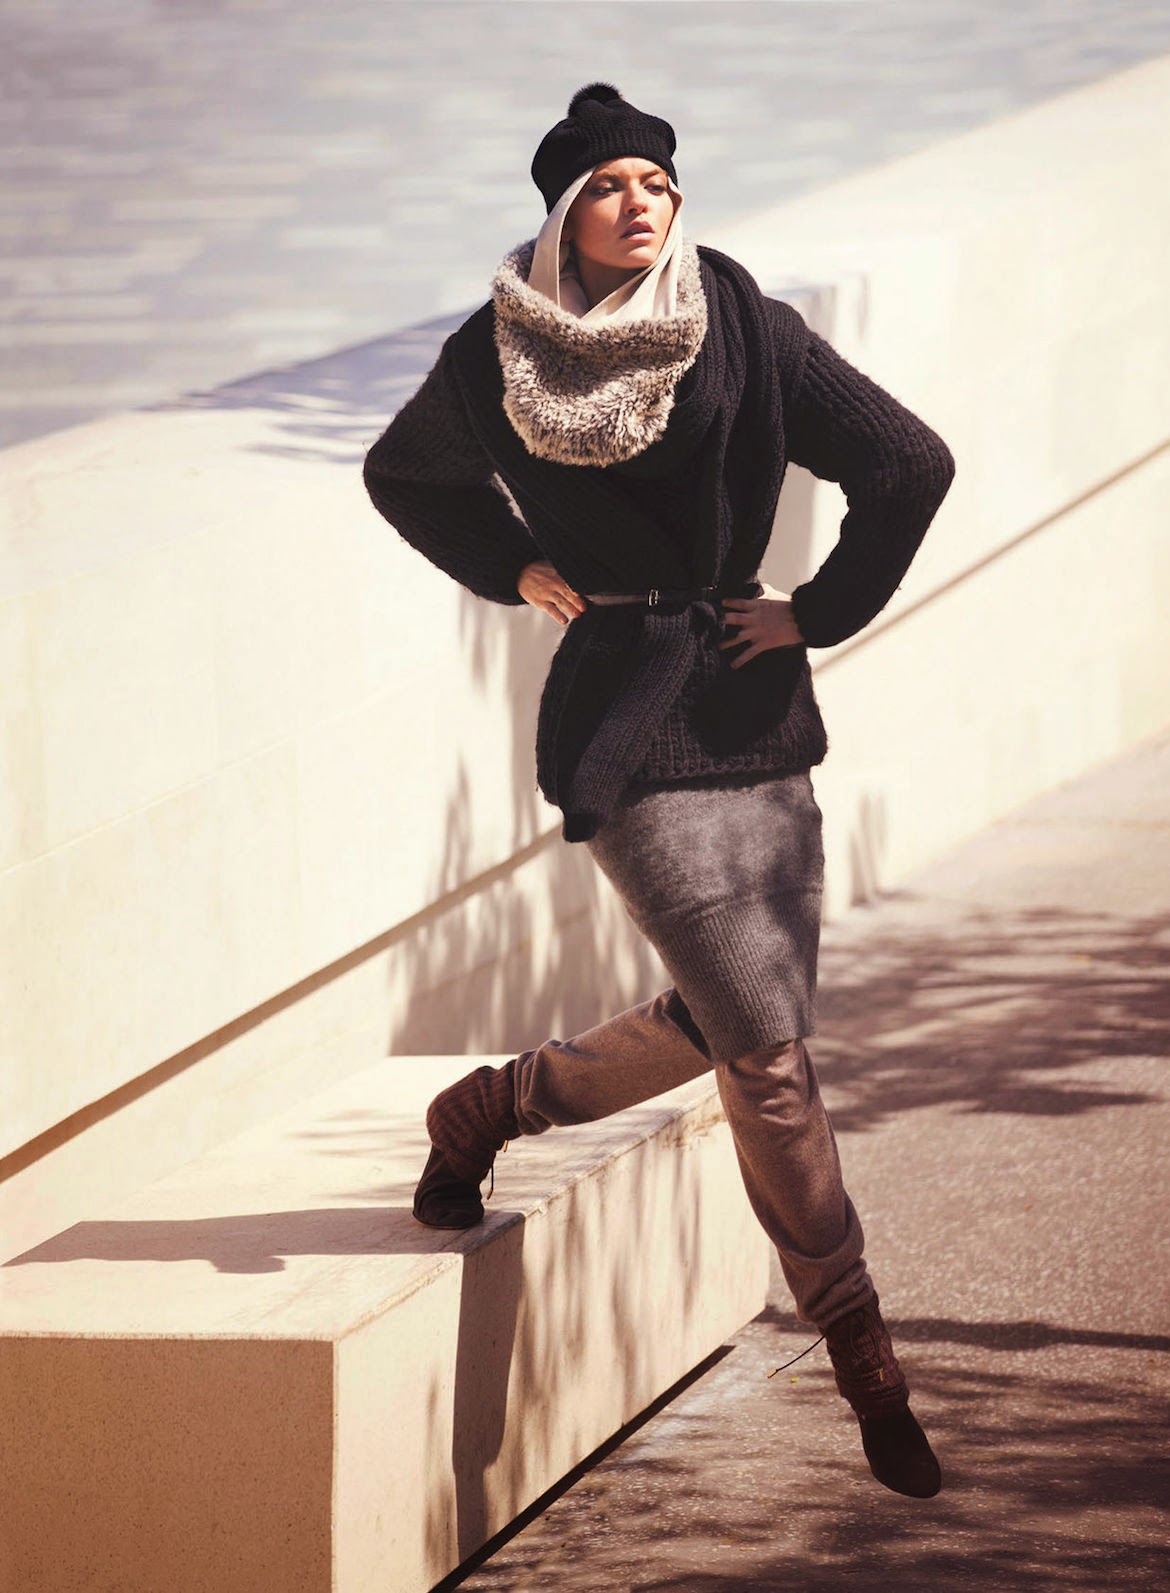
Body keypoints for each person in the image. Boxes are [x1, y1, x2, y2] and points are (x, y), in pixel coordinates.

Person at [362, 82, 955, 1500]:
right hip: (627, 732)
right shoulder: (495, 354)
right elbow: (405, 476)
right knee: (768, 1049)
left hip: (755, 712)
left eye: (659, 183)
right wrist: (511, 566)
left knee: (737, 1021)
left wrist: (817, 609)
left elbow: (908, 461)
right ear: (564, 212)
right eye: (612, 186)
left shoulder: (738, 317)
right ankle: (866, 1356)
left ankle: (492, 1106)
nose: (642, 204)